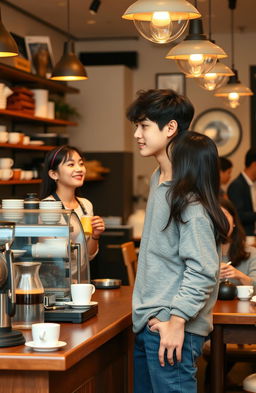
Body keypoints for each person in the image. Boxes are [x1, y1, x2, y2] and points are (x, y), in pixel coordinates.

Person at [126, 89, 228, 393]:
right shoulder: (160, 181)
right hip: (153, 324)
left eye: (143, 126)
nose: (136, 134)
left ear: (170, 128)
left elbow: (204, 270)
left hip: (172, 329)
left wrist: (177, 320)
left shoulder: (188, 201)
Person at [40, 145, 105, 262]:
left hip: (80, 277)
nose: (79, 169)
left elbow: (88, 256)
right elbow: (48, 257)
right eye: (71, 164)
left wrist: (95, 235)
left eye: (81, 164)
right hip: (56, 278)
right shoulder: (47, 207)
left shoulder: (86, 205)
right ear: (54, 174)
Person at [220, 198, 256, 286]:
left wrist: (239, 276)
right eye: (214, 217)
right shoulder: (200, 255)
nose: (219, 222)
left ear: (234, 222)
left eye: (224, 215)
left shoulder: (251, 253)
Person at [228, 148, 256, 235]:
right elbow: (238, 215)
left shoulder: (252, 184)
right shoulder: (237, 185)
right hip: (245, 237)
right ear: (254, 165)